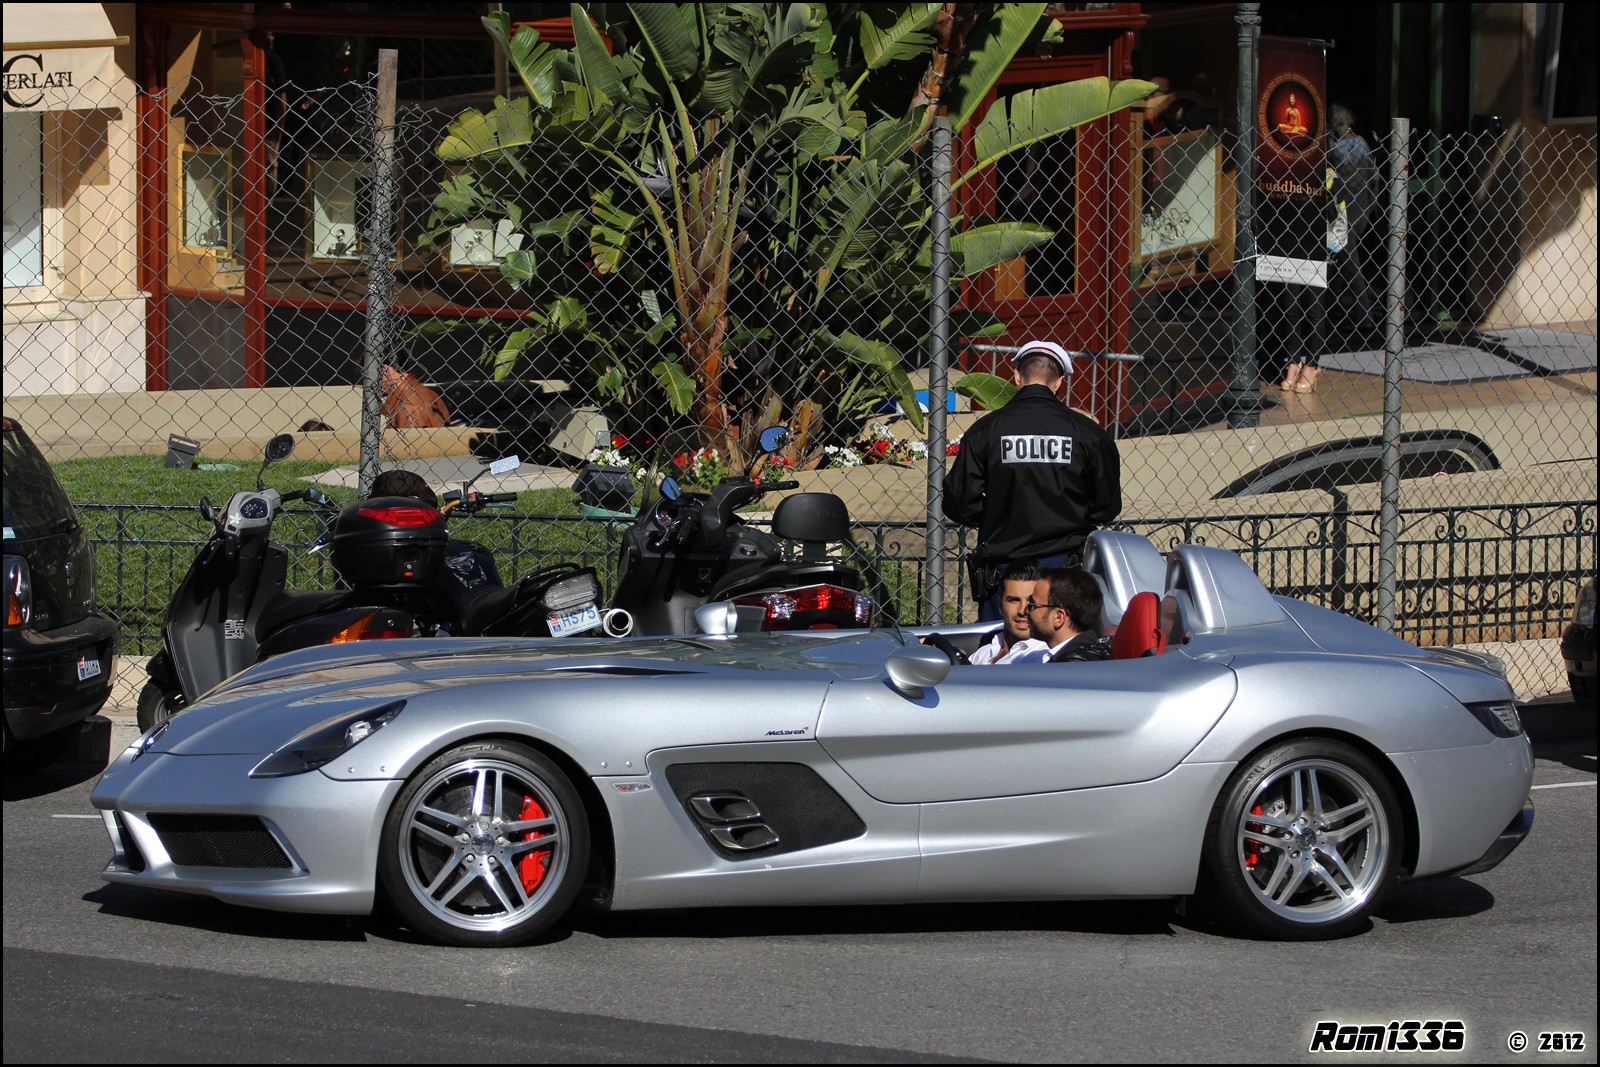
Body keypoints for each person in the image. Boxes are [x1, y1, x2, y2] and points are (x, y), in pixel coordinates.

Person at [944, 340, 1122, 622]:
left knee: (998, 650)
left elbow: (958, 503)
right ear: (1059, 382)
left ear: (1016, 377)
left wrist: (1000, 514)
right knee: (1062, 654)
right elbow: (1107, 507)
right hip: (1064, 570)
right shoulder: (1090, 434)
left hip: (1004, 571)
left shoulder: (984, 432)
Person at [1010, 567, 1113, 664]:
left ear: (1058, 617)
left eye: (1032, 604)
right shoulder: (1085, 659)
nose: (1025, 610)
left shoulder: (1071, 668)